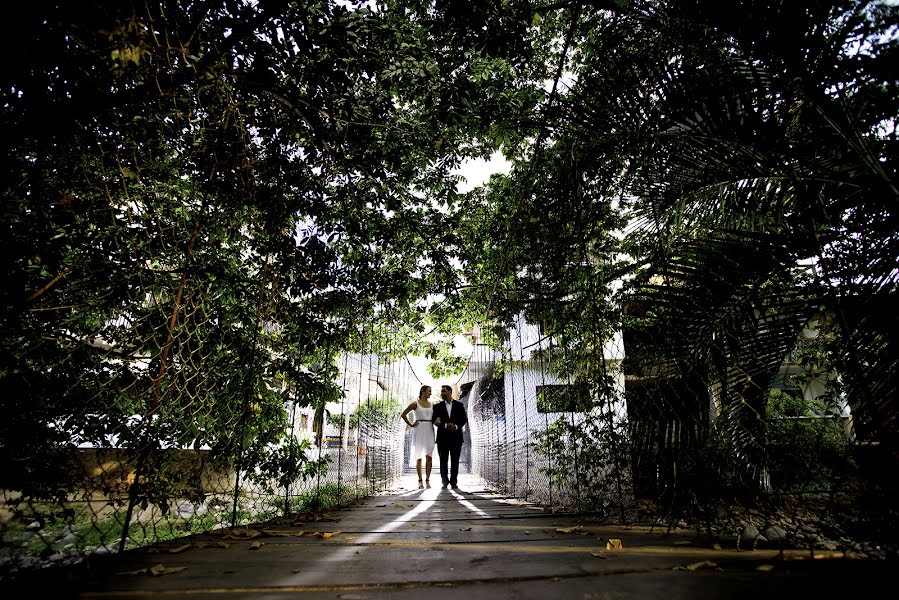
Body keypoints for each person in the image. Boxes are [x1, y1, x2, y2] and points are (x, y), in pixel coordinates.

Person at [431, 384, 467, 490]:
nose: (442, 393)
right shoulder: (437, 406)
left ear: (450, 392)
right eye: (441, 391)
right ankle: (444, 482)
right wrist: (446, 425)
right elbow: (434, 420)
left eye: (444, 391)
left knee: (455, 461)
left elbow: (464, 419)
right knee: (443, 461)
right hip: (443, 437)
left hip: (456, 437)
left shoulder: (459, 405)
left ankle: (454, 482)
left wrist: (455, 426)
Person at [400, 385, 435, 488]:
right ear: (423, 391)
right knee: (419, 457)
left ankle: (427, 480)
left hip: (430, 430)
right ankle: (420, 481)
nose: (430, 393)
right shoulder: (415, 403)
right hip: (419, 430)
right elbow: (403, 414)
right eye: (429, 391)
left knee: (429, 457)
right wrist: (411, 424)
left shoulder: (432, 404)